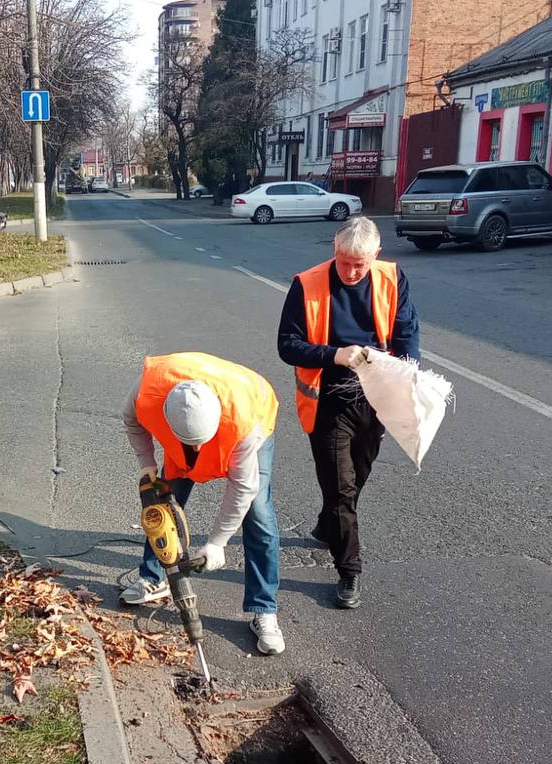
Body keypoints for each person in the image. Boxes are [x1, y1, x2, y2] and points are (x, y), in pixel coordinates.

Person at [277, 216, 420, 609]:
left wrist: (406, 376)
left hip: (375, 397)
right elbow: (287, 345)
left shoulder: (393, 279)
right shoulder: (307, 284)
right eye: (345, 263)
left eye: (361, 264)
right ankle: (349, 570)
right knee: (340, 487)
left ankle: (328, 525)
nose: (353, 272)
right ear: (334, 252)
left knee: (355, 478)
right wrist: (333, 355)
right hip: (328, 400)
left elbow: (407, 334)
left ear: (376, 254)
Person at [120, 352, 285, 655]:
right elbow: (132, 421)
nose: (197, 449)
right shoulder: (147, 392)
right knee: (161, 506)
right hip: (188, 418)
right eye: (190, 442)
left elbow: (243, 488)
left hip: (254, 408)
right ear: (167, 418)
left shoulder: (243, 422)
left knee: (258, 513)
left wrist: (217, 543)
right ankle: (153, 578)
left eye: (201, 441)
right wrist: (147, 464)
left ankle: (264, 608)